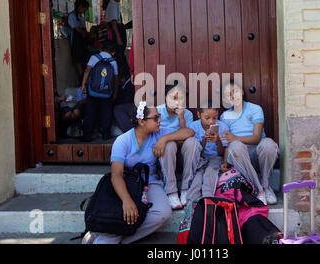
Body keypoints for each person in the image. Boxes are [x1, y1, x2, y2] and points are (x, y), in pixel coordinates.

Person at [82, 102, 195, 244]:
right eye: (155, 118)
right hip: (127, 183)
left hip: (150, 182)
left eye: (159, 117)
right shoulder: (123, 141)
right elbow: (116, 174)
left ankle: (114, 237)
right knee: (124, 211)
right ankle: (107, 237)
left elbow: (189, 132)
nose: (159, 120)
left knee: (163, 214)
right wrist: (126, 200)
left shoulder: (158, 133)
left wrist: (164, 139)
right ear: (141, 121)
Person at [219, 80, 279, 205]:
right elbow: (228, 142)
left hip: (258, 153)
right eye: (227, 94)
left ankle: (266, 186)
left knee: (269, 144)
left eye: (234, 91)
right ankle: (258, 189)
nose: (232, 96)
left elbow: (257, 138)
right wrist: (225, 162)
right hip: (240, 159)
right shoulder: (225, 116)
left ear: (242, 92)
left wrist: (235, 137)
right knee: (235, 146)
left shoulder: (255, 109)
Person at [157, 83, 200, 210]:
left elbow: (187, 135)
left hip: (182, 156)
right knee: (169, 145)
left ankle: (186, 188)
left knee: (192, 142)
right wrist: (172, 139)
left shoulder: (186, 114)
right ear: (165, 97)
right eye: (173, 97)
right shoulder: (157, 112)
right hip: (164, 156)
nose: (177, 102)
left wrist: (181, 119)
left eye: (181, 98)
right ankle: (171, 192)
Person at [186, 101, 229, 205]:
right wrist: (205, 139)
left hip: (215, 158)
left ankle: (208, 200)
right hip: (201, 158)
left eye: (214, 118)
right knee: (198, 176)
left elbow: (222, 152)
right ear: (198, 115)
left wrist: (217, 140)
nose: (211, 121)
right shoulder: (193, 126)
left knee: (210, 172)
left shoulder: (222, 126)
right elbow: (197, 153)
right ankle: (192, 203)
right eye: (207, 118)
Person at [81, 42, 119, 142]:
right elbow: (115, 79)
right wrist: (115, 93)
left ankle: (87, 135)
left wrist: (83, 84)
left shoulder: (94, 57)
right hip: (107, 93)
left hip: (92, 91)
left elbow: (87, 70)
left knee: (90, 112)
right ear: (113, 53)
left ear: (101, 49)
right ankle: (106, 135)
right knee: (106, 113)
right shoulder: (113, 62)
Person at [102, 0, 132, 64]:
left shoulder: (114, 4)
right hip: (116, 31)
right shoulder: (112, 4)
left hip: (118, 29)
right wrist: (118, 37)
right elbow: (114, 22)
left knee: (119, 54)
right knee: (118, 54)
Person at [68, 0, 93, 82]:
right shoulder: (72, 16)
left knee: (84, 61)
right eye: (84, 9)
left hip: (82, 42)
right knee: (78, 61)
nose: (85, 11)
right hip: (76, 42)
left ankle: (85, 80)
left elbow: (83, 29)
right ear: (80, 7)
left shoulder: (80, 17)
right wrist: (87, 34)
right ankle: (82, 80)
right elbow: (78, 29)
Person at [113, 65, 135, 133]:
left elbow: (127, 99)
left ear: (123, 78)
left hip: (132, 105)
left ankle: (128, 131)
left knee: (118, 108)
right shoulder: (125, 84)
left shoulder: (130, 84)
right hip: (128, 105)